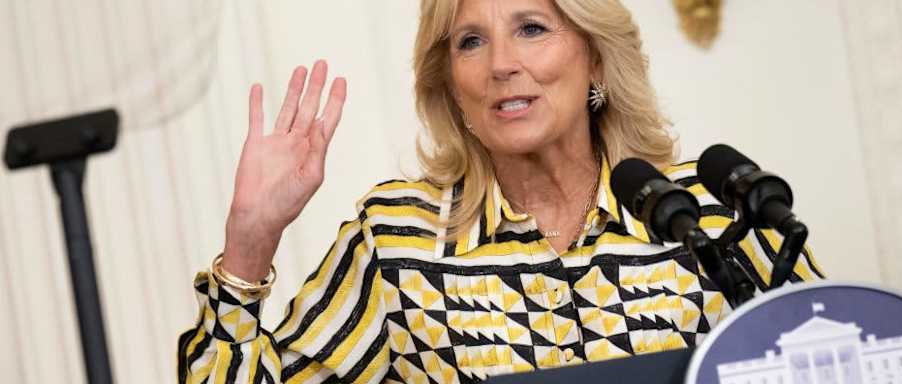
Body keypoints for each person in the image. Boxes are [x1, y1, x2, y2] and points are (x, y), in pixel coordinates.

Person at [178, 0, 823, 382]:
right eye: (471, 41)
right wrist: (249, 244)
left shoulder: (709, 214)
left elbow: (850, 352)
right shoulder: (398, 243)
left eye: (532, 28)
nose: (500, 64)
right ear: (452, 86)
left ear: (595, 57)